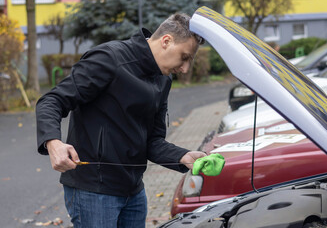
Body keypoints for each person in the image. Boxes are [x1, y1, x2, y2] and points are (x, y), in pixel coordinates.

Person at [36, 13, 206, 228]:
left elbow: (152, 141)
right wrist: (53, 142)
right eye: (184, 57)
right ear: (166, 41)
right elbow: (52, 100)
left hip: (134, 192)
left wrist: (182, 156)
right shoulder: (109, 59)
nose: (185, 69)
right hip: (94, 192)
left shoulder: (163, 79)